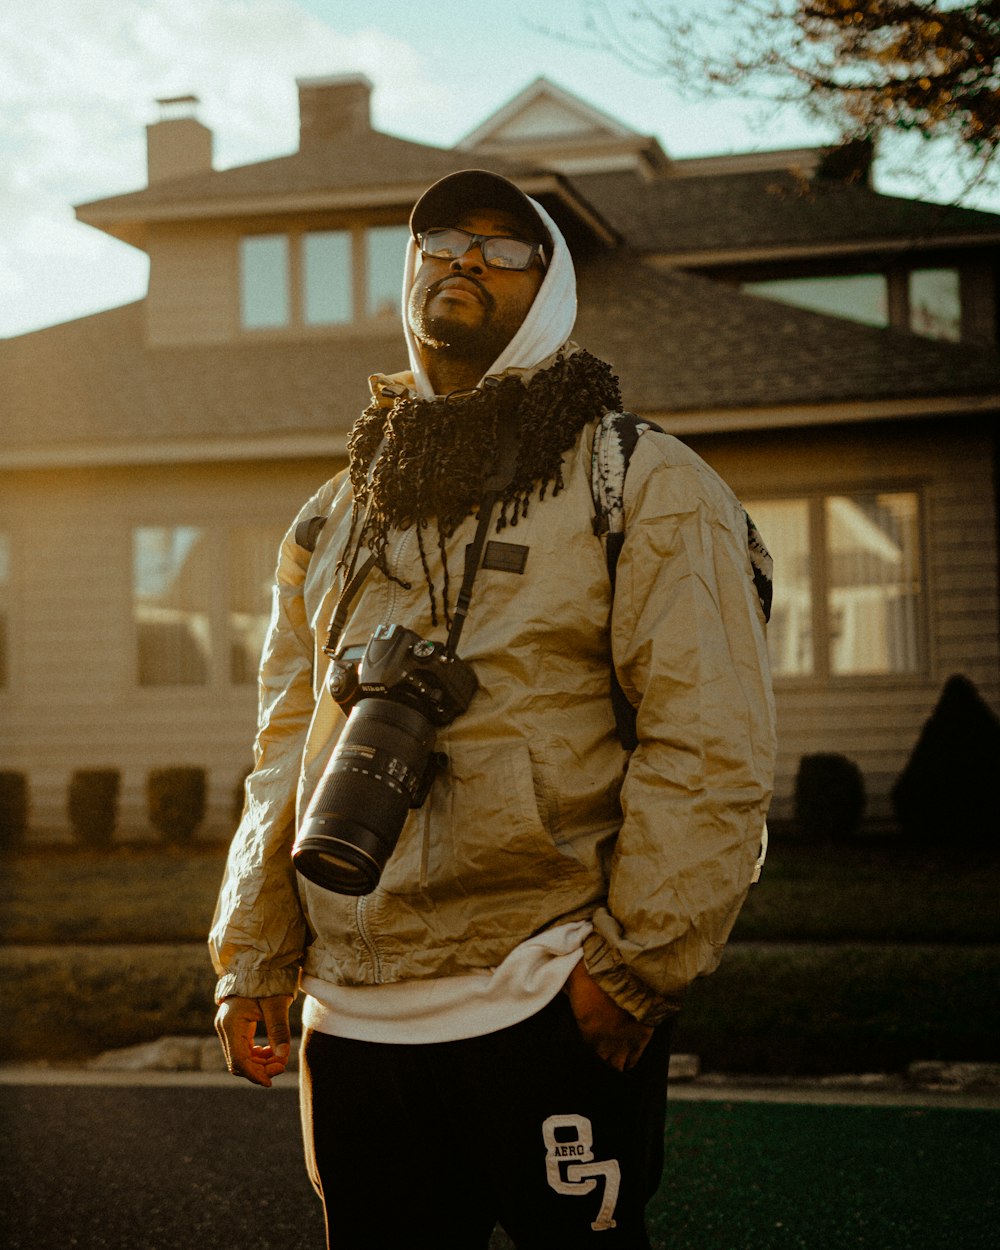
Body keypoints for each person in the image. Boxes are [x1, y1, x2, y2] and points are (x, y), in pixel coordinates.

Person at [211, 168, 776, 1248]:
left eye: (504, 247)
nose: (465, 258)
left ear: (550, 287)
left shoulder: (635, 478)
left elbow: (708, 739)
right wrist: (253, 955)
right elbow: (285, 748)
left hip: (544, 987)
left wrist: (635, 964)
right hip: (356, 1006)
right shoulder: (333, 515)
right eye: (441, 238)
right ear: (409, 268)